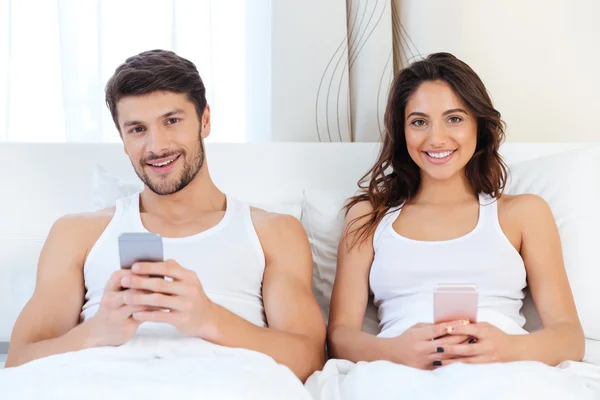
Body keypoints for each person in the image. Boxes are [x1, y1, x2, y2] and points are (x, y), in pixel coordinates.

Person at [5, 49, 326, 382]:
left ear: (205, 120)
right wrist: (97, 331)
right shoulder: (77, 233)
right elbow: (19, 362)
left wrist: (208, 319)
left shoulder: (273, 232)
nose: (156, 146)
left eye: (172, 121)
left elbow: (311, 360)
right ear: (122, 138)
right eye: (137, 129)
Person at [327, 52, 584, 370]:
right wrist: (394, 351)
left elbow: (570, 337)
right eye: (419, 122)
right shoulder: (369, 217)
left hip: (506, 374)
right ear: (401, 131)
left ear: (479, 125)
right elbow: (339, 336)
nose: (436, 138)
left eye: (454, 118)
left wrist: (509, 347)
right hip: (398, 374)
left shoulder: (524, 214)